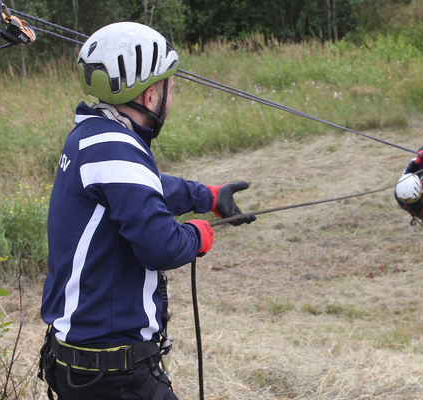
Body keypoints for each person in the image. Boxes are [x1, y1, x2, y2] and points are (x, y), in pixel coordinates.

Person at [38, 22, 255, 400]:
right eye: (171, 86)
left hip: (79, 360)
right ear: (152, 94)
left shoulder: (92, 136)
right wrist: (197, 235)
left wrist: (207, 196)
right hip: (111, 371)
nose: (173, 96)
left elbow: (141, 187)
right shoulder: (116, 148)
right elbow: (162, 247)